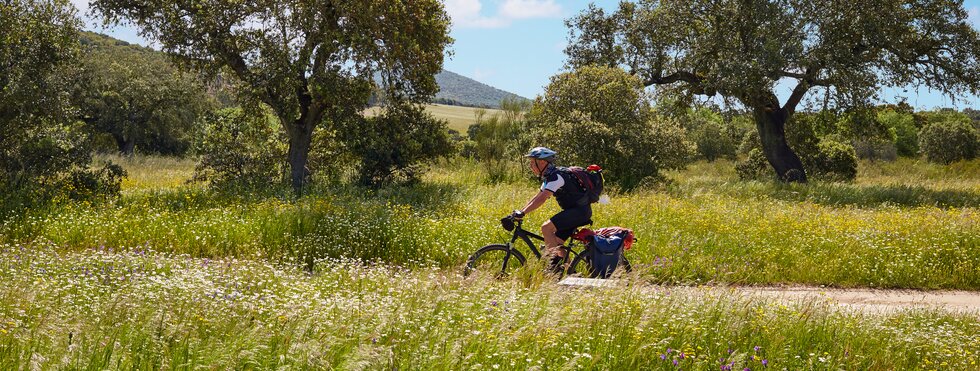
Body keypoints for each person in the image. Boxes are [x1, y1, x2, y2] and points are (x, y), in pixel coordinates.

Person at [509, 146, 592, 272]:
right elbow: (536, 197)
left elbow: (542, 199)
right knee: (556, 243)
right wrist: (520, 211)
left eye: (533, 162)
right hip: (575, 212)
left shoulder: (556, 177)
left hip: (579, 212)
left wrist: (523, 213)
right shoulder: (549, 176)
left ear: (542, 162)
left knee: (546, 228)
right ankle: (572, 273)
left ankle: (553, 268)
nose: (531, 166)